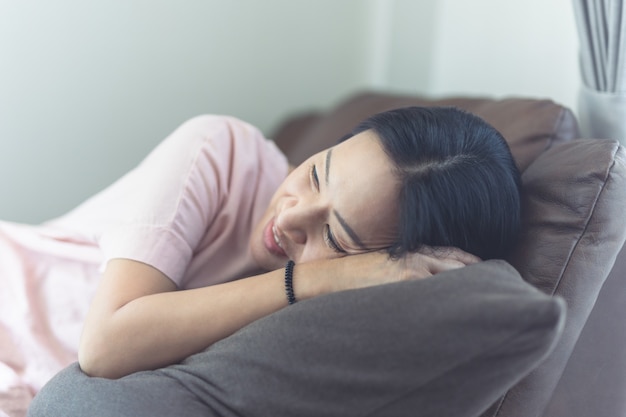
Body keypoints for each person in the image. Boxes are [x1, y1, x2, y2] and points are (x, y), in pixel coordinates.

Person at [1, 106, 521, 413]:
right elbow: (106, 346)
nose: (291, 217)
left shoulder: (351, 311)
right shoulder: (218, 152)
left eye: (334, 235)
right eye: (316, 174)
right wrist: (322, 273)